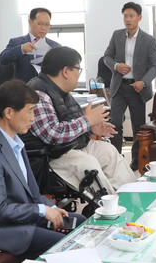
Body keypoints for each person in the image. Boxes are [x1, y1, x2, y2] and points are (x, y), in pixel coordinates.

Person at [0, 80, 86, 260]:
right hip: (0, 230)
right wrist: (42, 211)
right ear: (9, 112)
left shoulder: (16, 143)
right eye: (30, 111)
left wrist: (52, 208)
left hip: (23, 219)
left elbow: (32, 195)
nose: (33, 118)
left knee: (80, 222)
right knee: (65, 244)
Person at [25, 46, 136, 194]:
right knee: (89, 165)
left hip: (72, 147)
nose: (79, 74)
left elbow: (71, 124)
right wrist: (87, 121)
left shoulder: (62, 91)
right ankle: (110, 205)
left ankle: (132, 198)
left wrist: (91, 128)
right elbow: (52, 134)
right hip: (52, 156)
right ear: (66, 71)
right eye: (78, 69)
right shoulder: (38, 94)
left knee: (109, 152)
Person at [103, 2, 156, 170]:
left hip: (137, 89)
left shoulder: (149, 40)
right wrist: (116, 66)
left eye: (131, 16)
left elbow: (155, 65)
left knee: (138, 126)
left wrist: (143, 82)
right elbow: (107, 57)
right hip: (119, 87)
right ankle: (116, 158)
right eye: (125, 16)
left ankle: (135, 160)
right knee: (115, 123)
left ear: (139, 17)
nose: (127, 19)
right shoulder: (117, 35)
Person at [0, 7, 61, 83]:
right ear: (30, 22)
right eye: (39, 23)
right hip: (24, 88)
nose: (43, 28)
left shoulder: (55, 46)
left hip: (47, 88)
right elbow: (2, 59)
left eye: (47, 24)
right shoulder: (17, 42)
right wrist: (21, 49)